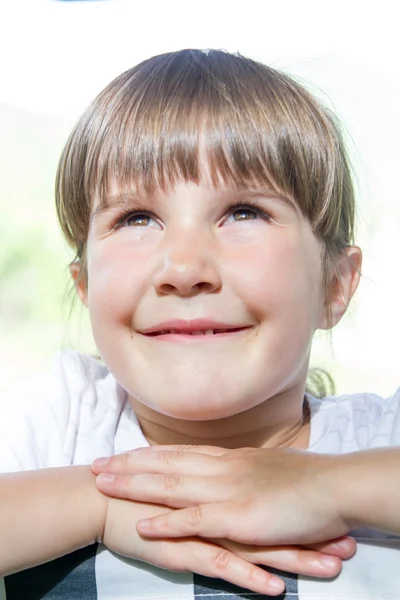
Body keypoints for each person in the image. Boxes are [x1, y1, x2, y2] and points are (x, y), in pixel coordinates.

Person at [1, 48, 399, 600]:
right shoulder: (61, 424)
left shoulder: (380, 440)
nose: (184, 270)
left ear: (334, 284)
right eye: (136, 217)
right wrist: (98, 502)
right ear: (86, 288)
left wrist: (328, 485)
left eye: (244, 213)